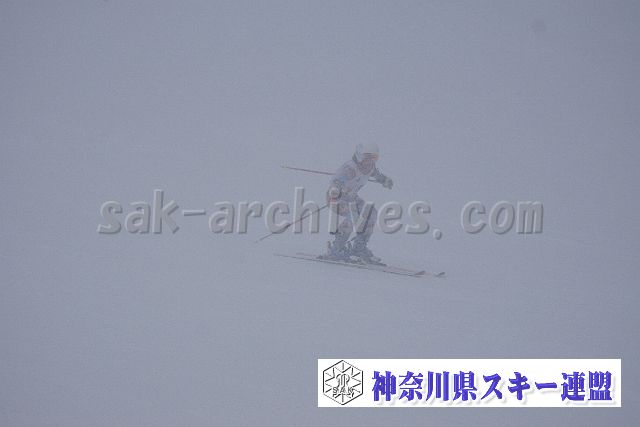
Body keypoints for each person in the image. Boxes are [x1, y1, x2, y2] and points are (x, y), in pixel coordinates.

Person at [322, 143, 393, 263]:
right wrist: (339, 187)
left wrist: (384, 180)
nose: (370, 161)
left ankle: (359, 247)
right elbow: (336, 181)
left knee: (371, 214)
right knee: (353, 216)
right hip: (336, 197)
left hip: (351, 198)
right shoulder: (350, 169)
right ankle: (336, 248)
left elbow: (375, 174)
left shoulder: (370, 167)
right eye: (367, 157)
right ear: (360, 156)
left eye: (374, 158)